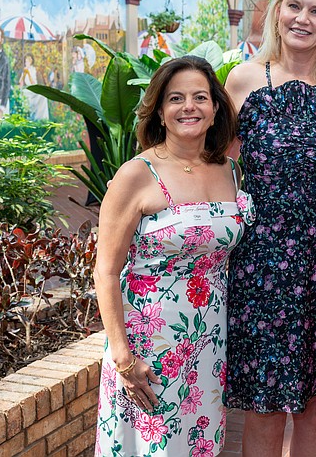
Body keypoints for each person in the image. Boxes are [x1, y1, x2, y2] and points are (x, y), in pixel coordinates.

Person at [223, 0, 316, 457]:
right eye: (294, 6)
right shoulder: (242, 81)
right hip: (262, 266)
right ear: (276, 11)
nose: (302, 19)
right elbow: (215, 167)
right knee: (262, 410)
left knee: (315, 408)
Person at [94, 56, 253, 456]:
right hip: (148, 346)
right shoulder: (136, 174)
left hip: (208, 345)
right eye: (176, 98)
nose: (189, 107)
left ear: (216, 108)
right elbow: (106, 271)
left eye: (201, 97)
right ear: (160, 112)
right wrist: (123, 357)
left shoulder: (230, 171)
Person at [19, 53, 49, 121]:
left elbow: (33, 83)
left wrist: (28, 74)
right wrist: (24, 74)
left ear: (31, 61)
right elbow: (20, 83)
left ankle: (42, 117)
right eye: (26, 61)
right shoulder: (24, 70)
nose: (27, 63)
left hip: (33, 89)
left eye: (28, 61)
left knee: (43, 97)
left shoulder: (34, 70)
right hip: (27, 90)